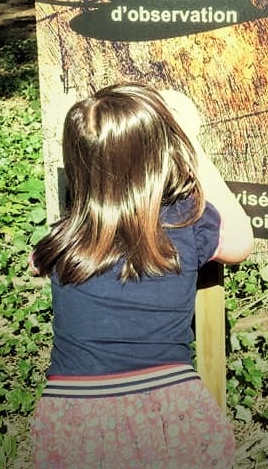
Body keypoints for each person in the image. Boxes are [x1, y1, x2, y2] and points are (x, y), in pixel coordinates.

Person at [30, 82, 254, 469]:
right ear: (164, 154)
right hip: (168, 408)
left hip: (73, 415)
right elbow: (240, 243)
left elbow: (36, 261)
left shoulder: (60, 242)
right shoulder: (184, 224)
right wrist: (192, 142)